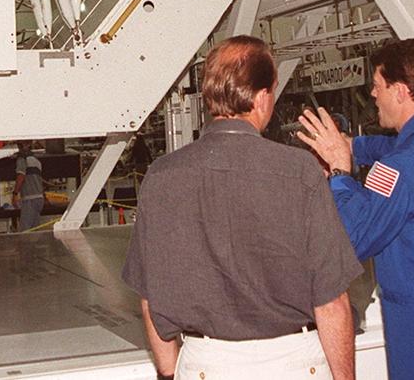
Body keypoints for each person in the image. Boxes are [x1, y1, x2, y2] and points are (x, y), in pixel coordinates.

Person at [122, 35, 362, 379]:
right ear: (263, 97)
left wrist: (168, 372)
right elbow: (331, 301)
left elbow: (150, 298)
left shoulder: (161, 176)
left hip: (206, 362)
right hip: (292, 362)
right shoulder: (299, 171)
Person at [297, 39, 414, 380]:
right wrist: (354, 147)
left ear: (399, 91)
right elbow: (399, 146)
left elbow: (355, 237)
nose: (372, 94)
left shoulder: (399, 168)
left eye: (377, 86)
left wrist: (340, 171)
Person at [13, 142, 45, 231]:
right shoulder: (36, 160)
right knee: (35, 231)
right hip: (39, 198)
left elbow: (21, 177)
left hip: (29, 199)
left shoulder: (22, 159)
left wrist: (15, 194)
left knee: (25, 231)